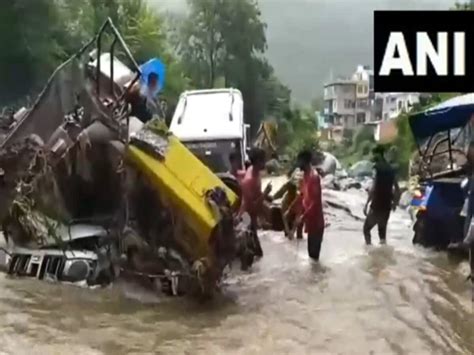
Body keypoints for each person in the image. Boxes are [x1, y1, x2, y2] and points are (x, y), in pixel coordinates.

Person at [363, 145, 400, 245]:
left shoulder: (377, 168)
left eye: (375, 154)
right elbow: (397, 189)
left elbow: (373, 188)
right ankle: (383, 255)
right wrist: (395, 203)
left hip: (377, 204)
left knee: (366, 229)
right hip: (386, 205)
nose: (374, 157)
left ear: (379, 154)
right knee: (382, 233)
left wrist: (366, 204)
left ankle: (369, 252)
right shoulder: (391, 169)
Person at [240, 148, 272, 257]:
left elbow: (256, 194)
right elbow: (251, 207)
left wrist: (266, 197)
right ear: (257, 161)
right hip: (246, 219)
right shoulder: (249, 180)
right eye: (262, 160)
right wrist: (265, 194)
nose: (265, 163)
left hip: (253, 219)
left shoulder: (256, 172)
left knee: (257, 254)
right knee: (253, 255)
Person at [295, 150, 325, 260]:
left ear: (305, 161)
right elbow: (304, 197)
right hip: (310, 222)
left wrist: (303, 217)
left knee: (314, 257)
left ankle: (319, 277)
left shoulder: (314, 177)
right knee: (311, 258)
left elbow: (315, 202)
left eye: (299, 161)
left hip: (316, 223)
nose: (298, 164)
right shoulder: (305, 176)